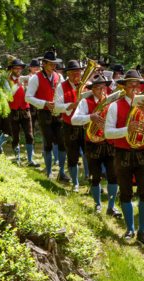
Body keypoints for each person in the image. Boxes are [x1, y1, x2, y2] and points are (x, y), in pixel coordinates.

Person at [104, 69, 144, 244]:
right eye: (130, 84)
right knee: (126, 193)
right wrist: (127, 130)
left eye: (137, 84)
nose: (134, 87)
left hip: (143, 153)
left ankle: (143, 229)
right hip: (123, 154)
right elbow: (107, 133)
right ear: (124, 86)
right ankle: (129, 228)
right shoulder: (115, 105)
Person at [72, 74, 122, 218]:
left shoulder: (111, 102)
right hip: (92, 143)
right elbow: (74, 119)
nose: (101, 90)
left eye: (103, 87)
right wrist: (90, 117)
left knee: (113, 176)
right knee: (95, 176)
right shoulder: (85, 102)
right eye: (97, 87)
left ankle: (111, 207)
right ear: (92, 89)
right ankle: (97, 204)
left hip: (109, 142)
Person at [25, 50, 68, 180]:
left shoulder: (58, 77)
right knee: (48, 143)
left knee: (62, 143)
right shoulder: (35, 78)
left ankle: (61, 172)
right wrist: (44, 103)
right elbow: (28, 97)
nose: (54, 67)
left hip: (57, 112)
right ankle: (49, 172)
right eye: (51, 64)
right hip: (44, 113)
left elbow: (63, 93)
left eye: (55, 64)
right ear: (43, 64)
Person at [54, 60, 86, 191]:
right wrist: (71, 106)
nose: (76, 75)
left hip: (84, 125)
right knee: (72, 154)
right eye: (73, 72)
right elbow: (56, 107)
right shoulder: (61, 86)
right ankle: (75, 182)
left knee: (88, 153)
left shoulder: (86, 85)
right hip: (69, 125)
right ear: (68, 73)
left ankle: (90, 178)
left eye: (78, 72)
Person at [6, 59, 39, 167]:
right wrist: (17, 84)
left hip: (25, 110)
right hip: (13, 111)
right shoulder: (7, 80)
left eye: (19, 68)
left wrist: (27, 84)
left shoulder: (26, 79)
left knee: (29, 135)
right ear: (11, 69)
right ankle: (17, 158)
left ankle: (30, 160)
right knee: (15, 136)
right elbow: (8, 95)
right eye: (16, 68)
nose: (18, 70)